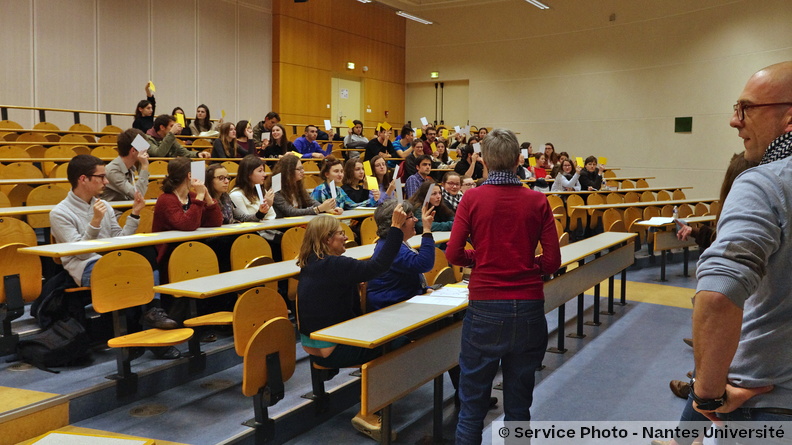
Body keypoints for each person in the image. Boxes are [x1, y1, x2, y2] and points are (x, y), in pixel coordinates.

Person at [686, 61, 792, 436]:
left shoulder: (765, 184)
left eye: (746, 108)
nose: (735, 121)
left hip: (769, 402)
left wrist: (708, 395)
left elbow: (718, 297)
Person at [446, 128, 561, 445]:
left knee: (472, 409)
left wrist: (480, 257)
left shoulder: (472, 198)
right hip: (528, 308)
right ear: (518, 160)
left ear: (483, 160)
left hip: (485, 308)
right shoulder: (538, 201)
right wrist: (526, 265)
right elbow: (551, 262)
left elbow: (453, 253)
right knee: (519, 409)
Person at [50, 154, 180, 359]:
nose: (106, 181)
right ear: (83, 179)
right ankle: (149, 338)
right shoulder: (60, 212)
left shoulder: (104, 206)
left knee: (146, 252)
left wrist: (135, 214)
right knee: (128, 273)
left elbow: (119, 239)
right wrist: (94, 222)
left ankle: (153, 312)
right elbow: (79, 252)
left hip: (112, 258)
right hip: (86, 266)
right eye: (101, 177)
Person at [296, 207, 408, 442]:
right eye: (340, 233)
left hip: (315, 342)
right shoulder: (334, 265)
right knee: (396, 343)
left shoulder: (312, 264)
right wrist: (396, 230)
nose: (347, 237)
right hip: (331, 347)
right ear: (328, 239)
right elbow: (377, 267)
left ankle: (374, 398)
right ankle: (367, 412)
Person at [151, 157, 223, 275]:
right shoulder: (166, 199)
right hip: (170, 251)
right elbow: (187, 224)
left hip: (191, 245)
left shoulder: (192, 196)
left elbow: (215, 222)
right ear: (190, 175)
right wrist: (200, 196)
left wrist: (207, 197)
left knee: (223, 243)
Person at [366, 200, 434, 311]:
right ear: (398, 221)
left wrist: (423, 290)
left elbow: (406, 277)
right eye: (411, 217)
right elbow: (424, 264)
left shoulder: (394, 243)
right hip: (388, 308)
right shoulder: (390, 247)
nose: (416, 220)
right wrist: (426, 230)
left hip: (402, 300)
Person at [271, 155, 341, 217]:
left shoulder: (297, 184)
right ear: (288, 170)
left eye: (302, 168)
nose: (303, 171)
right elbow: (291, 212)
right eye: (299, 169)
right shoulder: (276, 187)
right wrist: (319, 209)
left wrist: (327, 209)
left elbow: (310, 201)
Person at [103, 128, 150, 211]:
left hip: (126, 209)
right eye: (144, 149)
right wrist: (144, 165)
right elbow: (138, 195)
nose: (147, 153)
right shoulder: (113, 170)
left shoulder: (130, 168)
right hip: (113, 214)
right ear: (133, 151)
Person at [311, 156, 377, 209]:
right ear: (327, 174)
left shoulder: (339, 190)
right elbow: (315, 211)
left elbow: (352, 206)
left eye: (342, 171)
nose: (340, 174)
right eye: (336, 171)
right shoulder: (320, 190)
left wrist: (373, 199)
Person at [145, 115, 210, 159]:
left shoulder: (170, 138)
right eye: (171, 126)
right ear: (162, 127)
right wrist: (171, 133)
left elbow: (185, 153)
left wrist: (198, 154)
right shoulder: (147, 138)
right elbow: (159, 154)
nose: (174, 128)